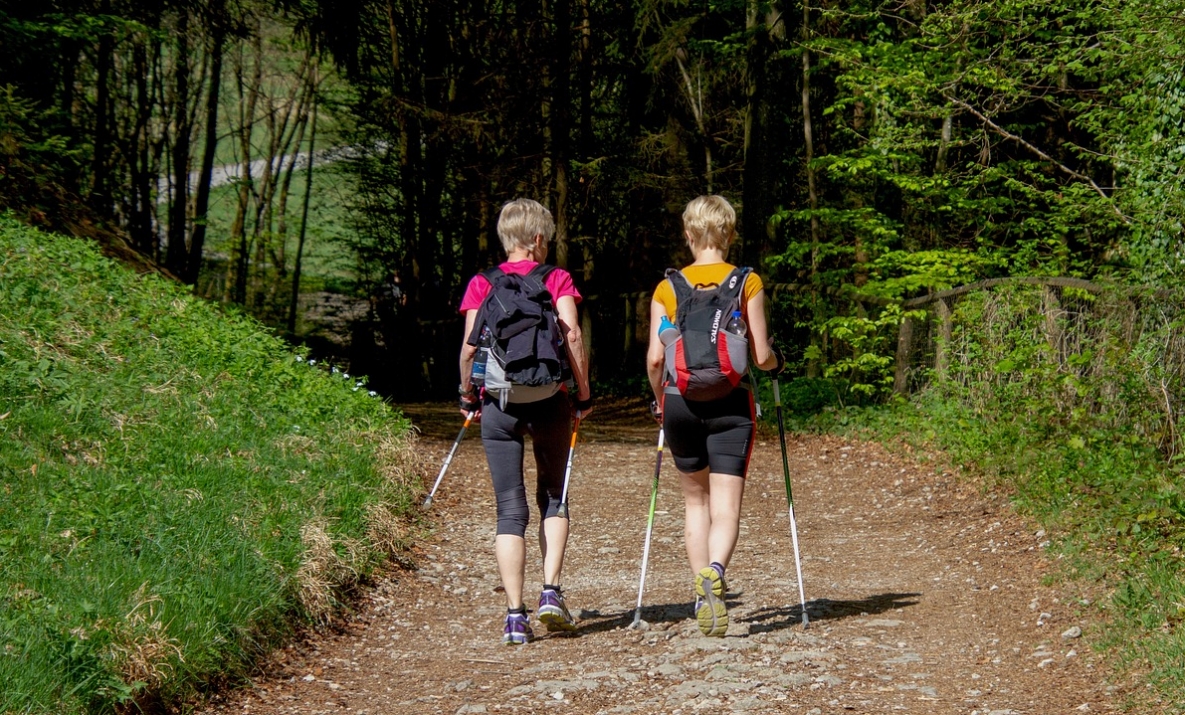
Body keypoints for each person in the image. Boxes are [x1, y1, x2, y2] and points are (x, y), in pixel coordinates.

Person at [645, 194, 783, 637]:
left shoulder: (667, 288)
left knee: (694, 502)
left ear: (688, 236)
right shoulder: (747, 281)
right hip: (730, 403)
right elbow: (760, 356)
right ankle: (717, 571)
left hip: (679, 402)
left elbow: (653, 358)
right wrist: (777, 363)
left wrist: (658, 402)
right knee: (726, 507)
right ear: (729, 234)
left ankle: (701, 590)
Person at [457, 198, 594, 645]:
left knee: (509, 509)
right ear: (538, 239)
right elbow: (571, 337)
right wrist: (583, 392)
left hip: (499, 404)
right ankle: (551, 591)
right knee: (554, 495)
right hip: (550, 399)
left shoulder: (482, 283)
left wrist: (467, 393)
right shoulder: (556, 279)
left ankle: (515, 617)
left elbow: (470, 349)